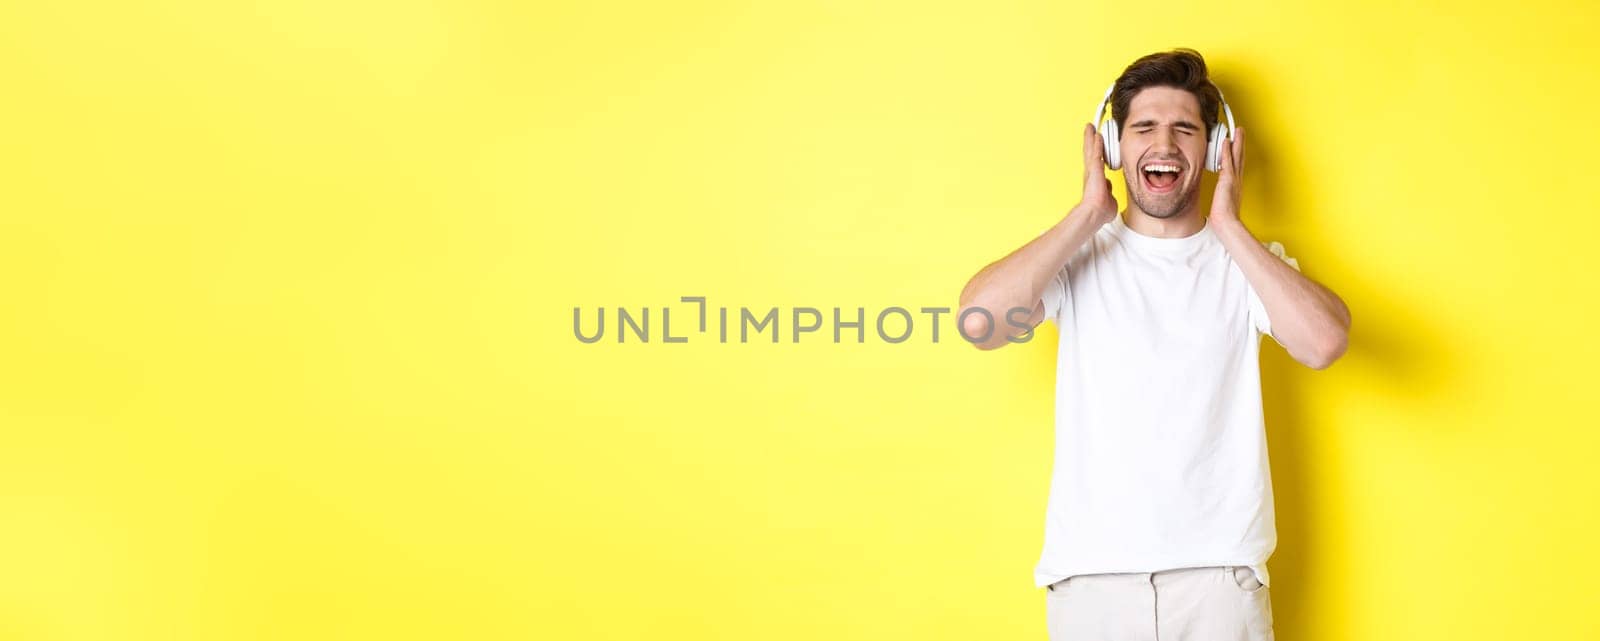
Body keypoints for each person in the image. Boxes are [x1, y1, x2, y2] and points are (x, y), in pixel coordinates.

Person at [957, 49, 1351, 641]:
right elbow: (978, 324)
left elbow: (1324, 343)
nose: (1163, 144)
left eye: (1185, 129)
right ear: (1114, 149)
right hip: (1092, 585)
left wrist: (1232, 227)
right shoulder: (1075, 260)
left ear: (1215, 149)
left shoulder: (1245, 264)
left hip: (1220, 585)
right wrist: (1088, 213)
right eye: (1143, 128)